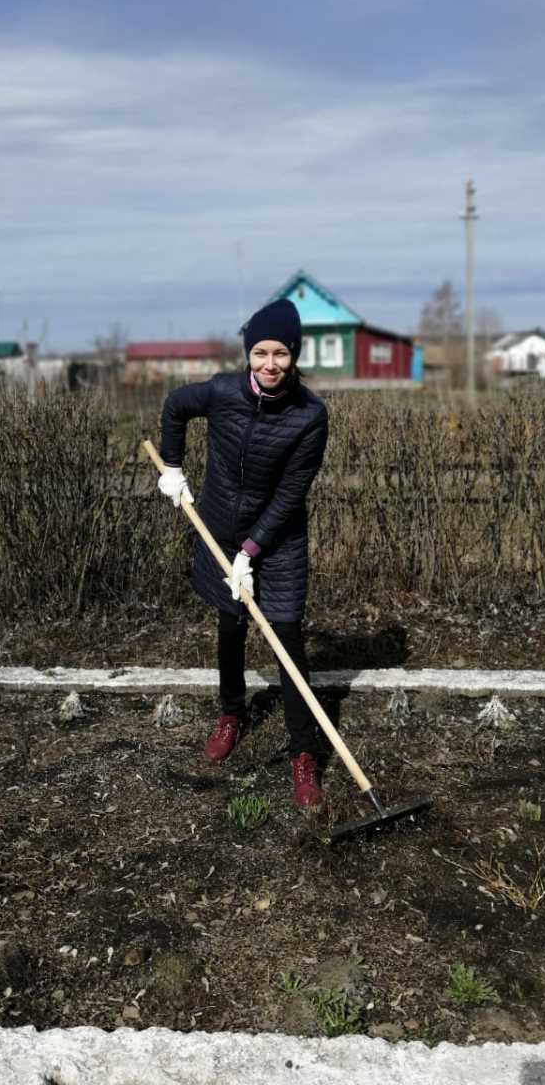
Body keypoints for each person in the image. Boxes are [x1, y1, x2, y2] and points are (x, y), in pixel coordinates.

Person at [157, 298, 329, 807]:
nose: (269, 364)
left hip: (277, 542)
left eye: (280, 353)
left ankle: (304, 755)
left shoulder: (309, 416)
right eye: (260, 352)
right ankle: (232, 713)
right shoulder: (223, 390)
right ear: (247, 352)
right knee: (230, 625)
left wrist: (252, 552)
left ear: (294, 356)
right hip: (219, 532)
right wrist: (172, 469)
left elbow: (290, 494)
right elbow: (174, 407)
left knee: (287, 642)